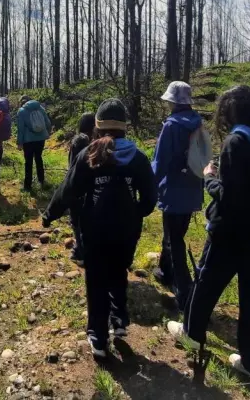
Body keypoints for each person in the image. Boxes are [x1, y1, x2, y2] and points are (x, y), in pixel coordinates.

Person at [170, 85, 250, 385]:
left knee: (206, 283)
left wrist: (210, 178)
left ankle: (192, 335)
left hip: (229, 232)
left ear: (231, 113)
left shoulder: (236, 142)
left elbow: (230, 197)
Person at [42, 99, 156, 359]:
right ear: (126, 127)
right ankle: (120, 321)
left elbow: (68, 191)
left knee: (96, 281)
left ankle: (98, 337)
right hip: (126, 232)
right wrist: (134, 214)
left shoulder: (89, 155)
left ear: (98, 125)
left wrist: (50, 214)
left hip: (94, 231)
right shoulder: (137, 158)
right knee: (118, 273)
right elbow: (150, 199)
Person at [151, 81, 209, 317]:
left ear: (173, 102)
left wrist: (148, 186)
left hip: (173, 190)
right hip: (193, 189)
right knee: (176, 234)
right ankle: (165, 271)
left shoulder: (172, 126)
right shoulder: (198, 123)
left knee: (175, 241)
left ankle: (185, 293)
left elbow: (160, 162)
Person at [44, 112, 95, 264]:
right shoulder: (98, 140)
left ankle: (81, 252)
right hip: (93, 189)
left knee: (77, 221)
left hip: (78, 187)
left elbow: (74, 166)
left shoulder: (79, 141)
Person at [16, 95, 52, 190]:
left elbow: (21, 129)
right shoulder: (40, 108)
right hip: (41, 139)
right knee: (39, 158)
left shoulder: (21, 111)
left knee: (28, 162)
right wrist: (47, 132)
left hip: (28, 141)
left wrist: (19, 142)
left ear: (21, 103)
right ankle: (41, 180)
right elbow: (48, 123)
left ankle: (27, 186)